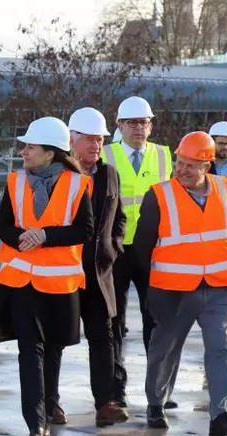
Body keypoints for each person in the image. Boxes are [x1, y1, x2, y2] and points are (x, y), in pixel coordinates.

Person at [136, 131, 227, 436]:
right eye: (179, 163)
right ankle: (156, 403)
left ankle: (221, 416)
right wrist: (152, 291)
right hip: (174, 290)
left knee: (221, 349)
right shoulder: (158, 195)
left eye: (190, 165)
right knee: (165, 349)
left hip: (220, 287)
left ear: (207, 164)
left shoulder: (226, 188)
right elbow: (143, 247)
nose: (182, 170)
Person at [0, 117, 93, 436]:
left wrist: (46, 236)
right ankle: (35, 424)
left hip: (60, 286)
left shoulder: (77, 185)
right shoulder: (16, 182)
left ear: (50, 153)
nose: (23, 152)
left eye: (30, 147)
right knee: (29, 352)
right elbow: (2, 225)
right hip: (21, 284)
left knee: (52, 351)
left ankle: (47, 410)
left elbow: (84, 230)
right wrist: (24, 238)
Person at [100, 96, 173, 409]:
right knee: (113, 321)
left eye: (143, 122)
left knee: (156, 321)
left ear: (151, 125)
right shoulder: (106, 155)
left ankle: (158, 391)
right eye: (131, 122)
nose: (138, 128)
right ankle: (117, 390)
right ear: (119, 126)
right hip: (115, 251)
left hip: (152, 250)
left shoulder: (164, 156)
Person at [68, 107, 129, 427]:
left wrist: (113, 248)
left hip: (99, 272)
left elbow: (119, 218)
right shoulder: (61, 174)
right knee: (55, 340)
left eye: (100, 140)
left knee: (103, 337)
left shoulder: (109, 174)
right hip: (64, 272)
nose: (96, 145)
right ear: (71, 141)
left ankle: (105, 403)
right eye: (89, 140)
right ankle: (50, 404)